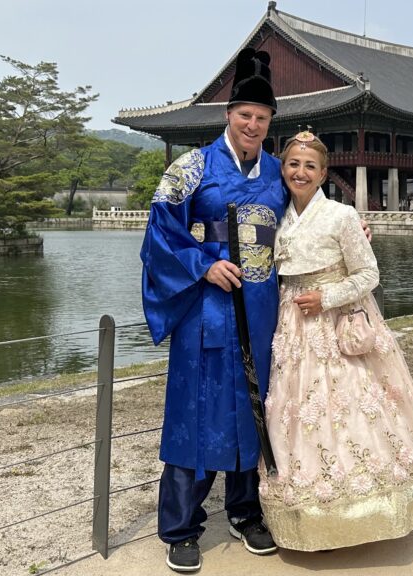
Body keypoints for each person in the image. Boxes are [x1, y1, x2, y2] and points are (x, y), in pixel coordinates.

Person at [259, 131, 413, 551]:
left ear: (324, 173)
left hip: (332, 323)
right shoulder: (277, 216)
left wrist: (327, 297)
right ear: (282, 168)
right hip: (291, 325)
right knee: (295, 411)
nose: (300, 172)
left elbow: (368, 274)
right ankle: (302, 507)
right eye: (293, 164)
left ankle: (364, 505)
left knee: (349, 409)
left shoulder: (342, 216)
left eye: (310, 166)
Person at [141, 47, 284, 573]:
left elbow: (308, 216)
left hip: (263, 309)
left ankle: (247, 513)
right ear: (228, 115)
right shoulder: (191, 166)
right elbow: (159, 233)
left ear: (271, 123)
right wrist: (202, 264)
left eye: (262, 118)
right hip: (208, 310)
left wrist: (349, 230)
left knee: (254, 408)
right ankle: (182, 526)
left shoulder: (276, 170)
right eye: (244, 115)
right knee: (197, 413)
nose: (252, 124)